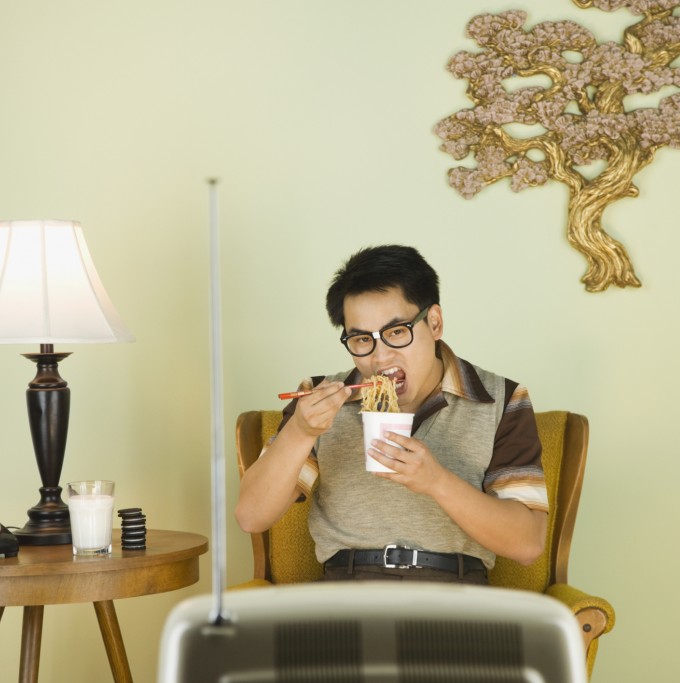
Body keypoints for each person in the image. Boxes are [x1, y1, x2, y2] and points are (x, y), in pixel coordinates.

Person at [234, 245, 547, 584]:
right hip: (346, 591)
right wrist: (300, 432)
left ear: (435, 322)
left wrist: (437, 482)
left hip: (456, 594)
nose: (380, 357)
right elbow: (251, 517)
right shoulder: (320, 397)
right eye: (361, 339)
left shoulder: (500, 398)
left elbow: (527, 544)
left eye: (397, 332)